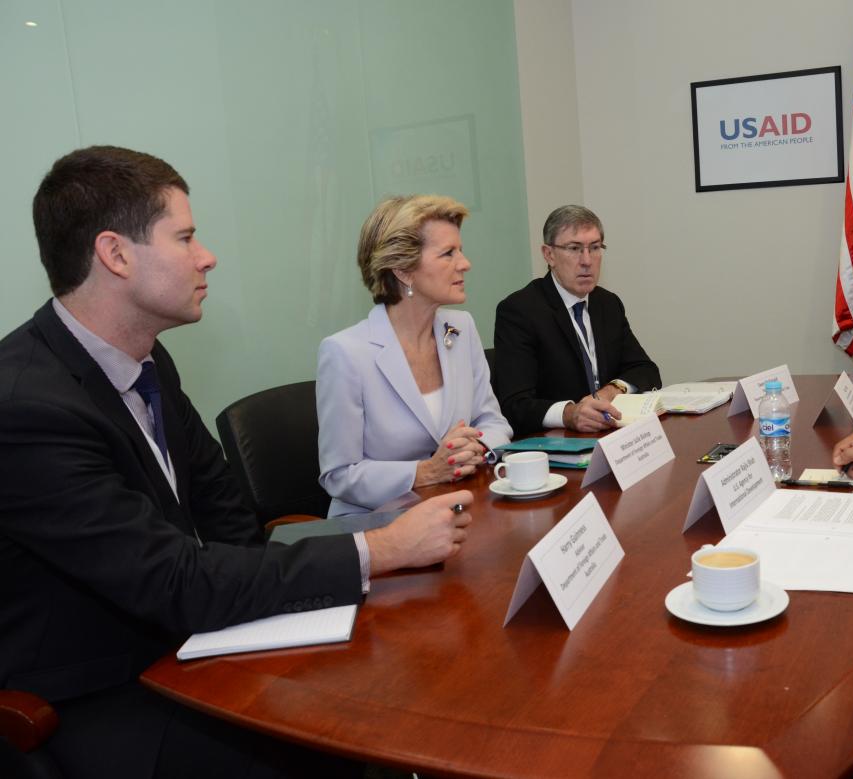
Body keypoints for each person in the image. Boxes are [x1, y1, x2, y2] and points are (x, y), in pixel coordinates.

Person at [0, 146, 474, 778]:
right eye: (186, 237)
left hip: (190, 639)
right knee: (340, 748)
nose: (207, 256)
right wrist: (379, 551)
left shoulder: (147, 361)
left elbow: (227, 519)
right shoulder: (26, 406)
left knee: (388, 691)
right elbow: (170, 578)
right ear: (115, 254)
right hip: (96, 692)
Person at [317, 195, 512, 516]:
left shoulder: (461, 328)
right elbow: (339, 475)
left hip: (459, 508)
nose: (465, 263)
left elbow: (492, 420)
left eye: (460, 250)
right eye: (448, 253)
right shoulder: (345, 353)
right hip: (379, 527)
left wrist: (475, 447)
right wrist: (424, 472)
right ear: (404, 271)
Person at [493, 205, 661, 436]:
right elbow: (515, 404)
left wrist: (612, 390)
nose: (587, 260)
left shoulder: (607, 303)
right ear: (548, 254)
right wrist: (570, 414)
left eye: (594, 248)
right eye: (574, 248)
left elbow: (646, 370)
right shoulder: (520, 311)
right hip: (555, 445)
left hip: (609, 434)